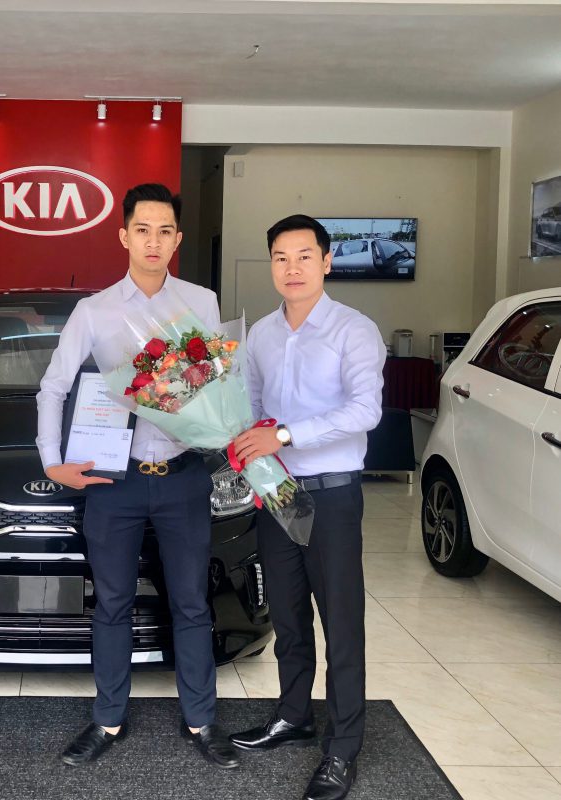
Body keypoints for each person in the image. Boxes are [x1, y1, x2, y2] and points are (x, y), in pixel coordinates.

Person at [36, 183, 240, 770]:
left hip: (182, 477)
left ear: (178, 240)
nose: (154, 241)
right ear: (123, 236)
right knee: (112, 604)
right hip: (114, 481)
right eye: (143, 230)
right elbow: (54, 385)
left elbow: (215, 384)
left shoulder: (200, 302)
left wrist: (219, 420)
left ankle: (201, 720)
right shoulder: (95, 310)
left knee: (192, 603)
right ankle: (107, 718)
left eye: (165, 231)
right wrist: (52, 459)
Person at [228, 215, 385, 800]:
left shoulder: (354, 330)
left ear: (326, 261)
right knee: (288, 615)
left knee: (341, 622)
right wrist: (238, 438)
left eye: (303, 256)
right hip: (278, 492)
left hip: (333, 494)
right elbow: (253, 404)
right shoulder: (262, 335)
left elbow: (366, 411)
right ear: (270, 264)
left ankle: (342, 748)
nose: (291, 268)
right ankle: (294, 715)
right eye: (280, 257)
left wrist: (286, 435)